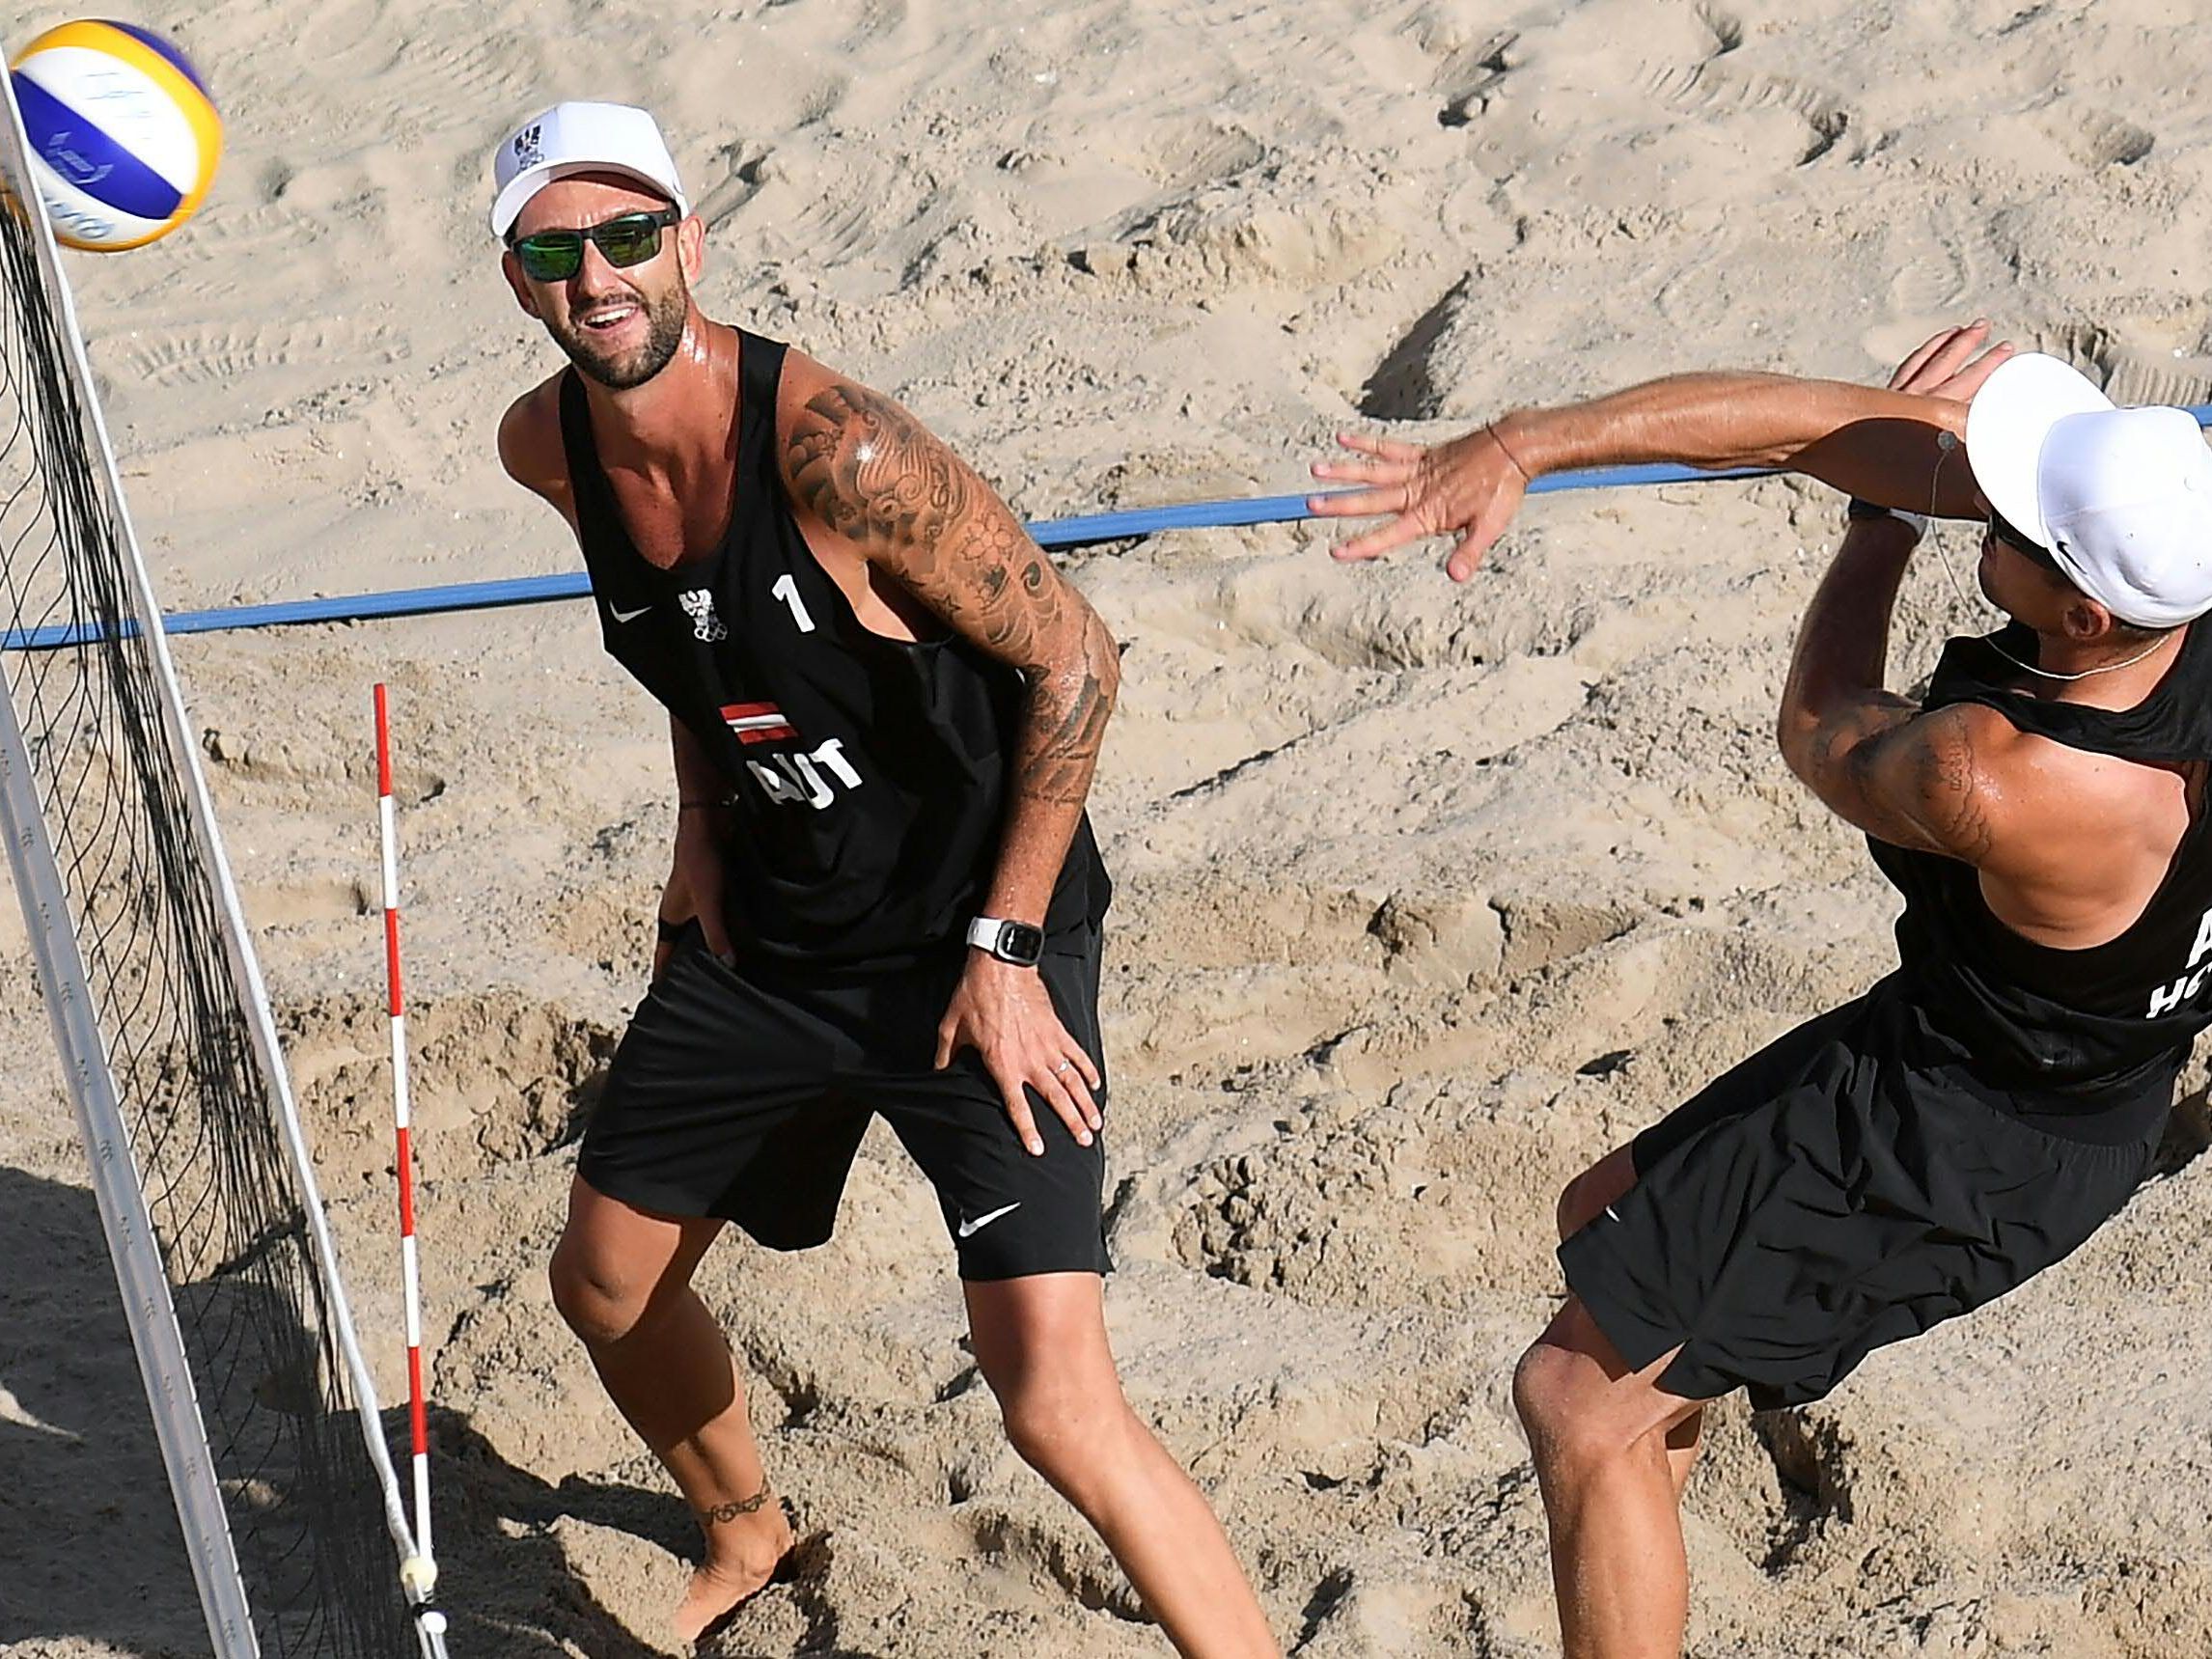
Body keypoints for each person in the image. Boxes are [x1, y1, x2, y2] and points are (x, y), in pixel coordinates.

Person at [488, 101, 1276, 1656]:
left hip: (971, 936)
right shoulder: (548, 448)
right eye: (553, 251)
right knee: (606, 1285)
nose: (597, 277)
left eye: (629, 236)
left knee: (1055, 1399)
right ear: (516, 277)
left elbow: (1078, 661)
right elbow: (694, 658)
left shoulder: (838, 451)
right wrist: (705, 815)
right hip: (770, 933)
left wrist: (1005, 950)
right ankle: (744, 1526)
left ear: (688, 245)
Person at [1314, 324, 2212, 1658]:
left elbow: (1821, 723)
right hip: (2039, 1058)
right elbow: (1799, 417)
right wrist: (1522, 442)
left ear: (2081, 611)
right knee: (1606, 1218)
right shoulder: (2160, 597)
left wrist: (1882, 527)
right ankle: (1637, 1545)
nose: (1989, 486)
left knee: (1574, 1397)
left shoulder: (1994, 778)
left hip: (1967, 1138)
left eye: (2012, 507)